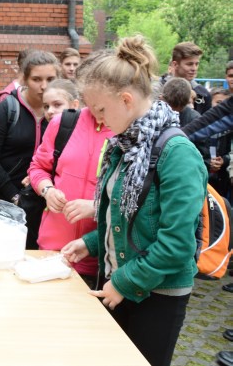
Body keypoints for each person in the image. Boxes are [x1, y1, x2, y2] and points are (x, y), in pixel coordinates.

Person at [61, 35, 208, 366]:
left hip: (155, 294)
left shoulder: (177, 153)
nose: (97, 119)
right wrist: (91, 243)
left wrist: (123, 283)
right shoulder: (125, 145)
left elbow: (176, 246)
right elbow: (126, 219)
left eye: (100, 109)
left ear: (126, 99)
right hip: (122, 281)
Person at [29, 52, 114, 288]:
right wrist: (47, 190)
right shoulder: (64, 123)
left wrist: (96, 208)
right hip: (52, 248)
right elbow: (38, 167)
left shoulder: (124, 130)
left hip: (98, 254)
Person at [0, 50, 59, 203]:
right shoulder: (8, 108)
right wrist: (14, 196)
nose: (44, 86)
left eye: (50, 79)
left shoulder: (60, 113)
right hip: (6, 200)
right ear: (24, 79)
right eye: (36, 79)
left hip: (44, 198)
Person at [170, 42, 211, 114]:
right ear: (175, 64)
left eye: (197, 64)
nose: (194, 68)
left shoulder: (204, 94)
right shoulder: (159, 89)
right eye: (189, 64)